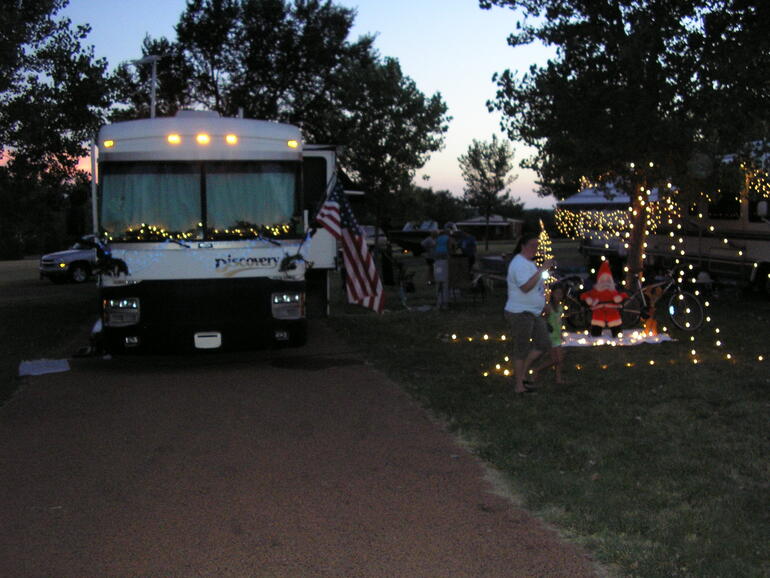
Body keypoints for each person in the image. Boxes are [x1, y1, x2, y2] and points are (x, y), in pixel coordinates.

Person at [504, 233, 554, 394]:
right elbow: (525, 287)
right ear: (523, 246)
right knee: (522, 348)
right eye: (532, 245)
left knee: (543, 343)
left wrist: (545, 304)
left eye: (537, 245)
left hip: (534, 311)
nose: (536, 248)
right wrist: (542, 269)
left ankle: (523, 375)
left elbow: (537, 286)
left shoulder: (528, 263)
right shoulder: (518, 264)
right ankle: (519, 385)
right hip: (520, 312)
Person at [532, 283, 567, 384]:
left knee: (559, 359)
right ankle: (537, 370)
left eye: (561, 294)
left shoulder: (559, 307)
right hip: (550, 336)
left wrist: (561, 333)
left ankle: (558, 378)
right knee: (555, 359)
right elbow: (543, 319)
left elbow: (559, 321)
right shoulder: (548, 307)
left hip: (557, 336)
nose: (559, 296)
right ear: (552, 294)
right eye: (557, 293)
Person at [433, 228, 454, 309]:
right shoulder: (448, 238)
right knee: (445, 280)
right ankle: (445, 302)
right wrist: (451, 254)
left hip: (437, 257)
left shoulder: (437, 238)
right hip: (445, 256)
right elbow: (450, 247)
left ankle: (439, 301)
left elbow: (434, 246)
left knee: (439, 280)